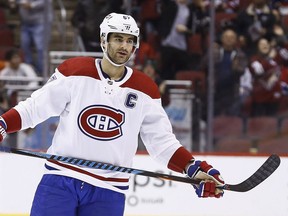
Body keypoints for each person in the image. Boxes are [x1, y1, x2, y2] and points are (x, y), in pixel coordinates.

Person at [0, 13, 225, 215]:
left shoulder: (145, 89)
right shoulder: (74, 72)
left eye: (130, 41)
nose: (124, 46)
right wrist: (2, 124)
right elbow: (34, 108)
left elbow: (162, 142)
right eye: (118, 39)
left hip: (109, 189)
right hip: (61, 179)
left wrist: (191, 167)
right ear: (103, 40)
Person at [8, 0, 53, 75]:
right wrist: (12, 4)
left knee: (40, 48)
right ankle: (29, 70)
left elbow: (48, 2)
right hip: (25, 23)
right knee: (25, 46)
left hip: (41, 22)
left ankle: (41, 73)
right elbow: (14, 6)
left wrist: (32, 5)